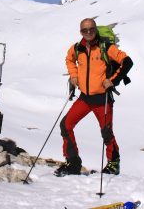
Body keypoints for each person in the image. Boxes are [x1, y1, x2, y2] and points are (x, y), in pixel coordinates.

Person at [54, 18, 133, 177]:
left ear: (95, 29)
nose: (88, 32)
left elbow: (127, 62)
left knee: (106, 132)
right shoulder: (77, 48)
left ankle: (113, 163)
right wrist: (74, 75)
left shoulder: (106, 47)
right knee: (65, 125)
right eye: (85, 30)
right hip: (85, 98)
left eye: (91, 29)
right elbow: (69, 60)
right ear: (81, 32)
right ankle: (73, 163)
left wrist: (113, 81)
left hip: (102, 99)